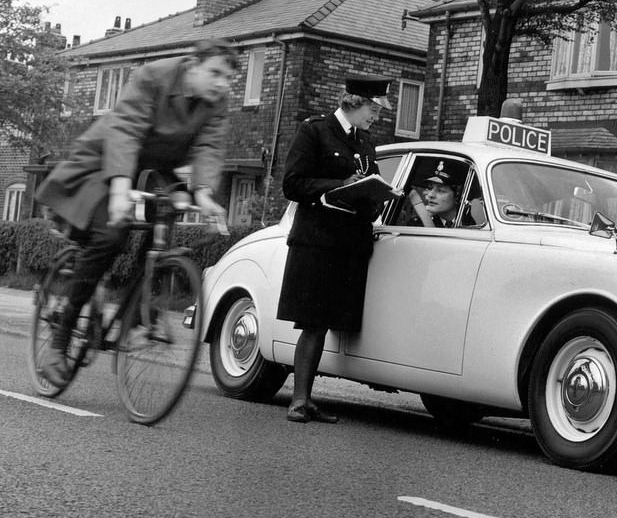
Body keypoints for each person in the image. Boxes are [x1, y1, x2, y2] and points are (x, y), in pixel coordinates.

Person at [34, 38, 237, 388]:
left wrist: (203, 193)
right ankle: (61, 337)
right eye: (215, 73)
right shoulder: (154, 76)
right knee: (111, 234)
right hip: (105, 161)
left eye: (229, 78)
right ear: (192, 65)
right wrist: (118, 190)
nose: (222, 83)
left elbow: (209, 146)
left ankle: (134, 312)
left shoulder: (216, 100)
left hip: (155, 169)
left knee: (164, 224)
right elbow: (126, 131)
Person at [277, 75, 392, 424]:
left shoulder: (365, 141)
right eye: (373, 109)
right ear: (353, 102)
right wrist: (339, 185)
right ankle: (299, 401)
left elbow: (368, 183)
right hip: (318, 242)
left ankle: (307, 399)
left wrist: (375, 199)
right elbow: (292, 184)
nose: (376, 116)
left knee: (327, 323)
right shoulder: (314, 131)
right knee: (313, 324)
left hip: (349, 244)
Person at [407, 160, 476, 228]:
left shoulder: (474, 223)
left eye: (440, 190)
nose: (430, 195)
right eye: (430, 188)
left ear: (458, 195)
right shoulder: (417, 226)